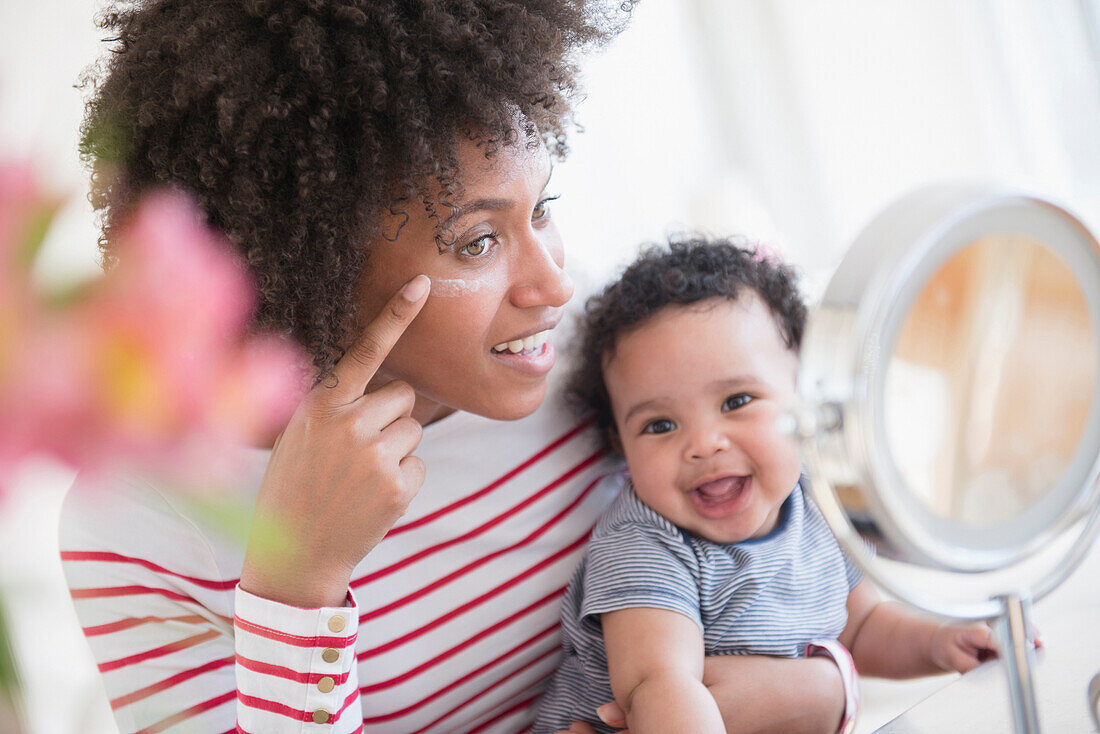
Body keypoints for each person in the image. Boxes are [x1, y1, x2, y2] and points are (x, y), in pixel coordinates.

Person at [61, 2, 850, 733]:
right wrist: (296, 588)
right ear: (309, 268)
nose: (553, 286)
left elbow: (782, 564)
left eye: (542, 209)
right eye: (477, 242)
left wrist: (826, 690)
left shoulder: (613, 367)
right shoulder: (138, 523)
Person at [533, 238, 1000, 734]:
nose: (704, 443)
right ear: (621, 447)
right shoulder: (644, 545)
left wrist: (938, 644)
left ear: (803, 394)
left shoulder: (817, 503)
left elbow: (860, 627)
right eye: (660, 426)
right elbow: (659, 684)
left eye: (736, 401)